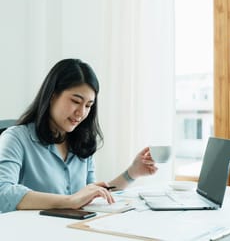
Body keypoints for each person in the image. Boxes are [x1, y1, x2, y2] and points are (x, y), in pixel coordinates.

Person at [0, 59, 157, 213]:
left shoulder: (81, 143)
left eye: (88, 105)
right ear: (52, 96)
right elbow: (3, 193)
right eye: (76, 101)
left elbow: (92, 196)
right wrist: (70, 201)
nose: (81, 113)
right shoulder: (16, 138)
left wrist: (132, 173)